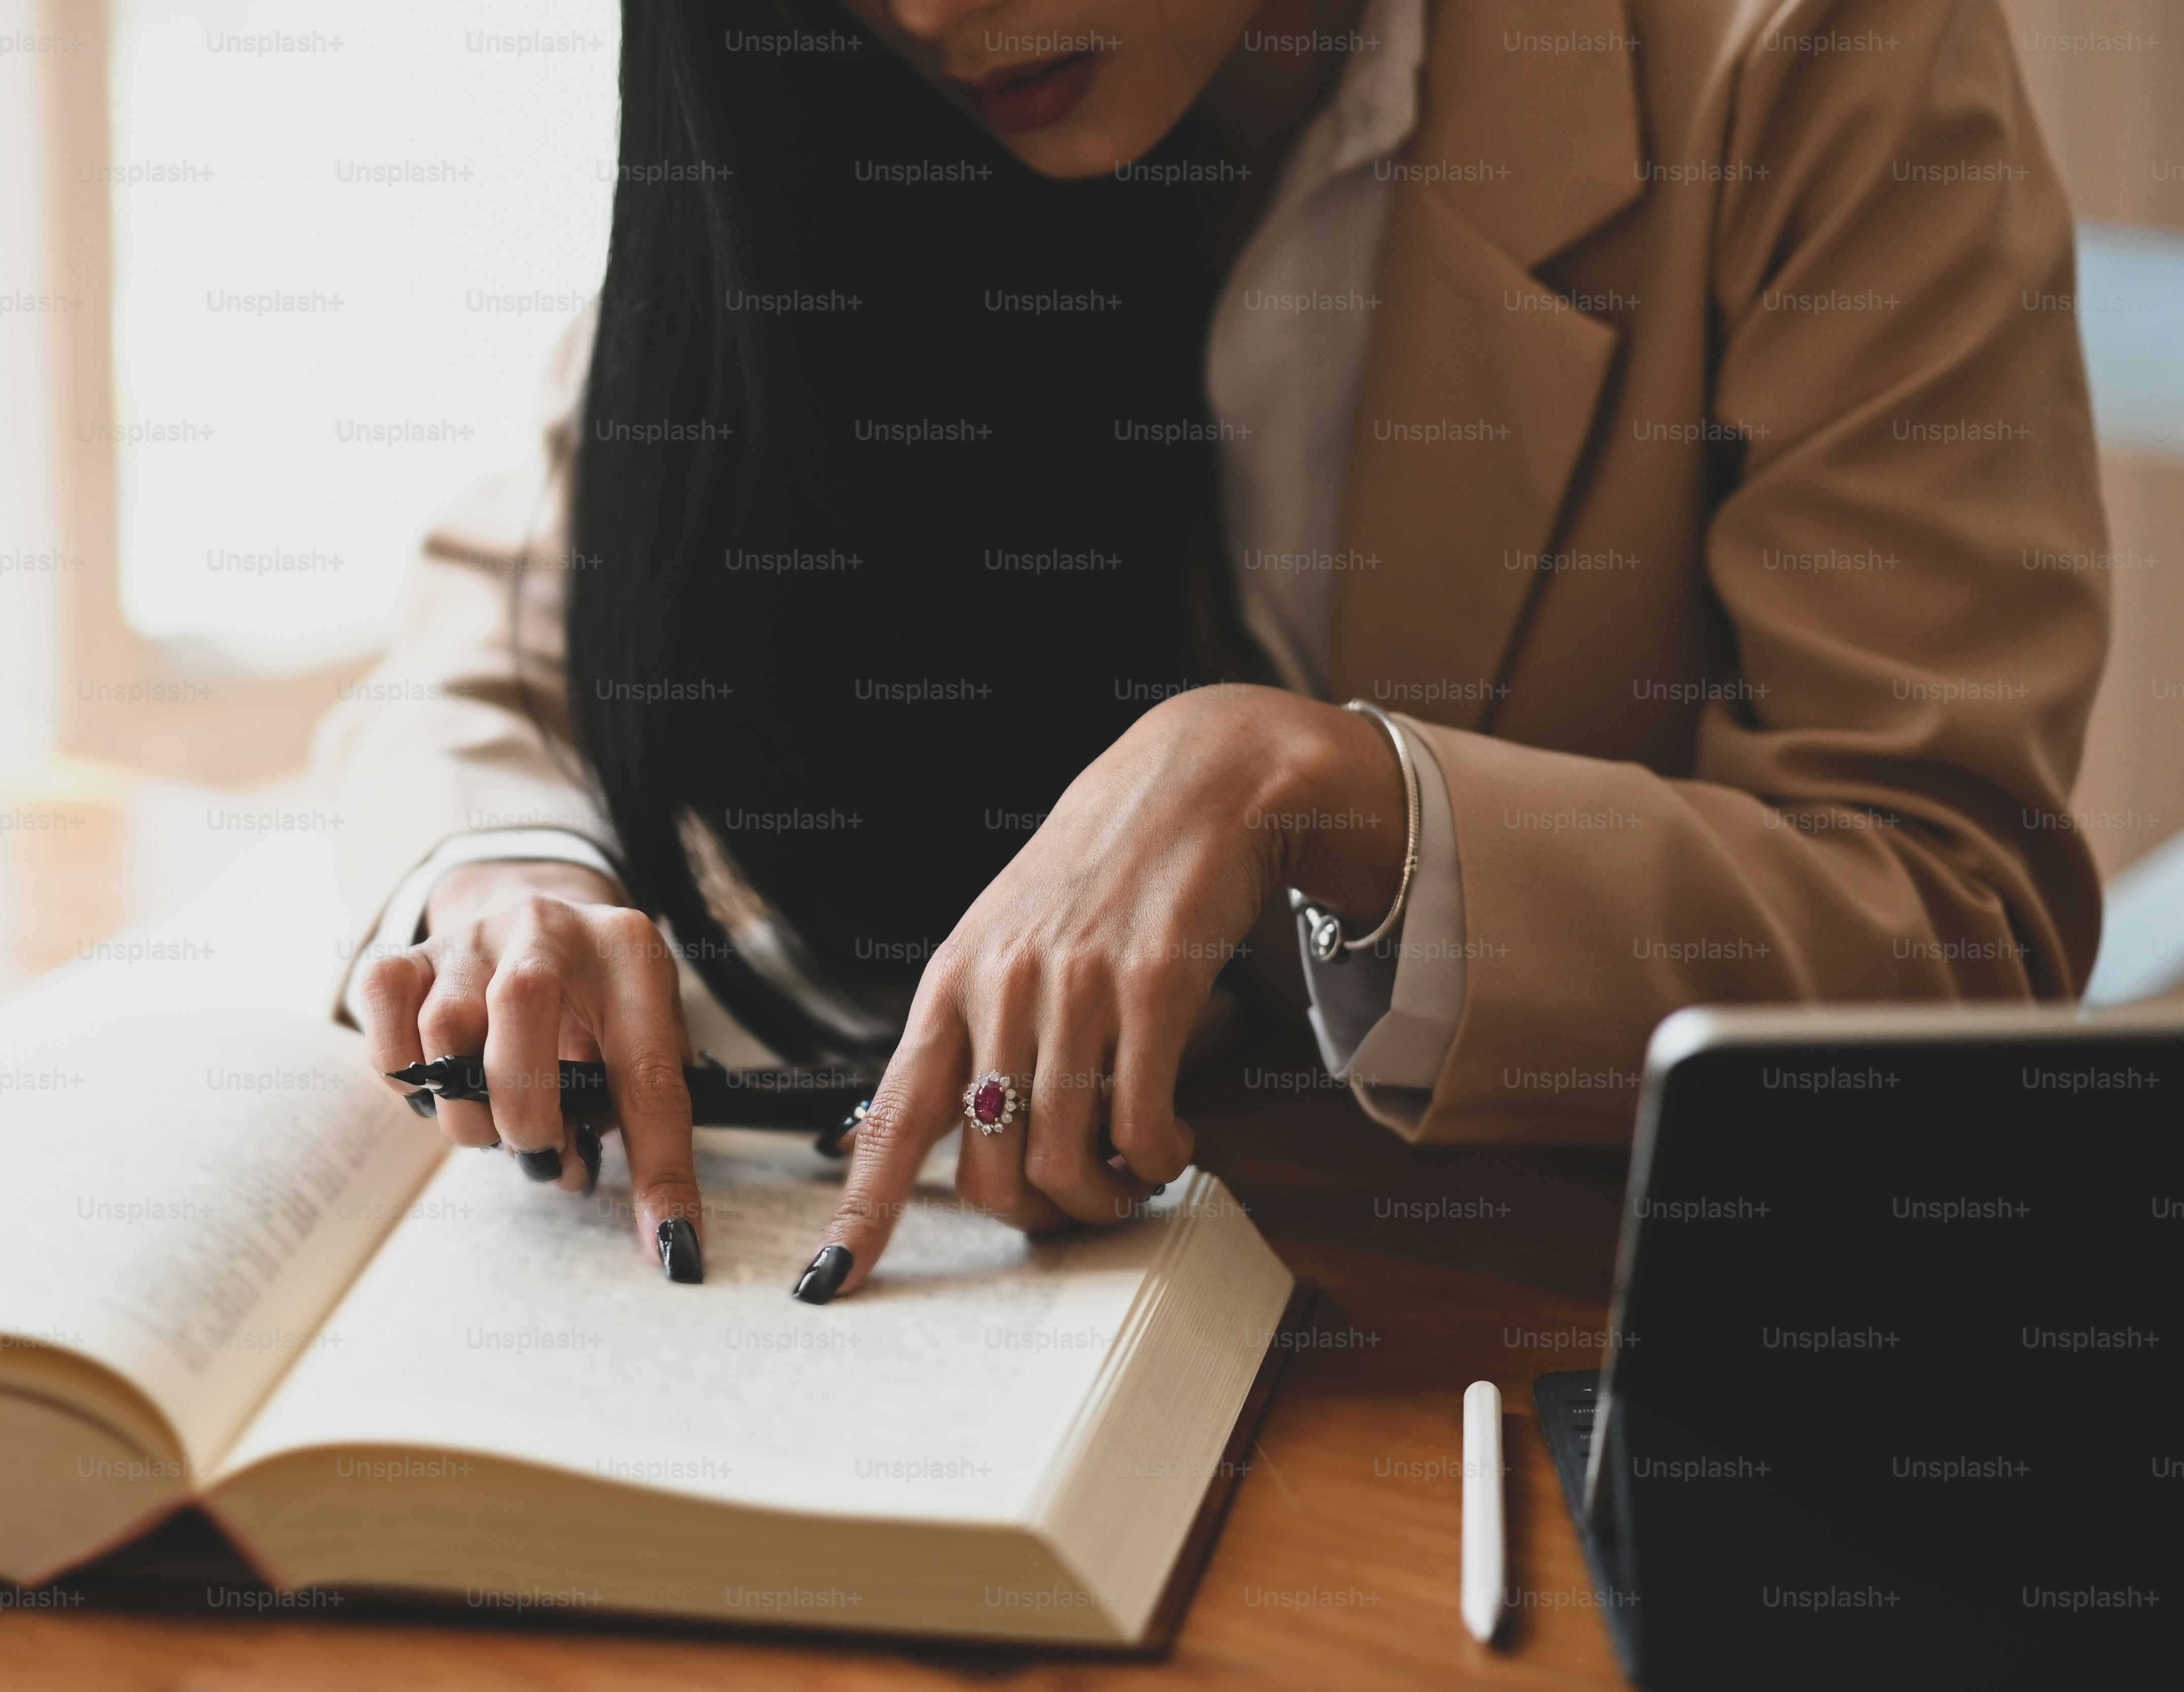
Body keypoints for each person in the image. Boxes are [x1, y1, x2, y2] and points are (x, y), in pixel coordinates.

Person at [321, 0, 2107, 1302]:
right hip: (1123, 1279)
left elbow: (1954, 933)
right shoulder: (842, 86)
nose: (929, 11)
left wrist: (1323, 786)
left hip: (1560, 1320)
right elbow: (518, 596)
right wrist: (502, 864)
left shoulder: (1814, 54)